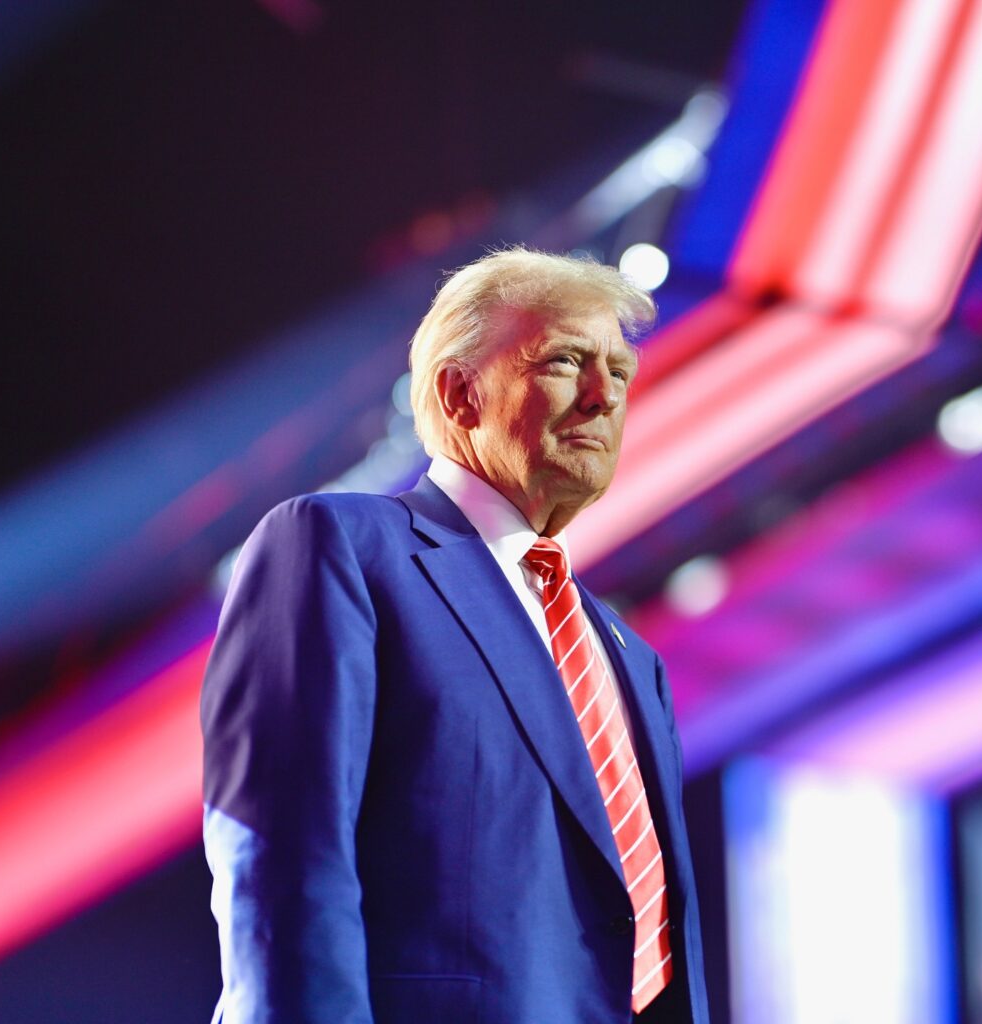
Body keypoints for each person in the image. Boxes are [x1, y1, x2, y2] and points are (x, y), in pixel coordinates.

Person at [201, 247, 710, 1024]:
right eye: (567, 362)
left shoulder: (630, 659)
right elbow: (279, 853)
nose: (604, 396)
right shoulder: (343, 546)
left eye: (621, 372)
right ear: (460, 393)